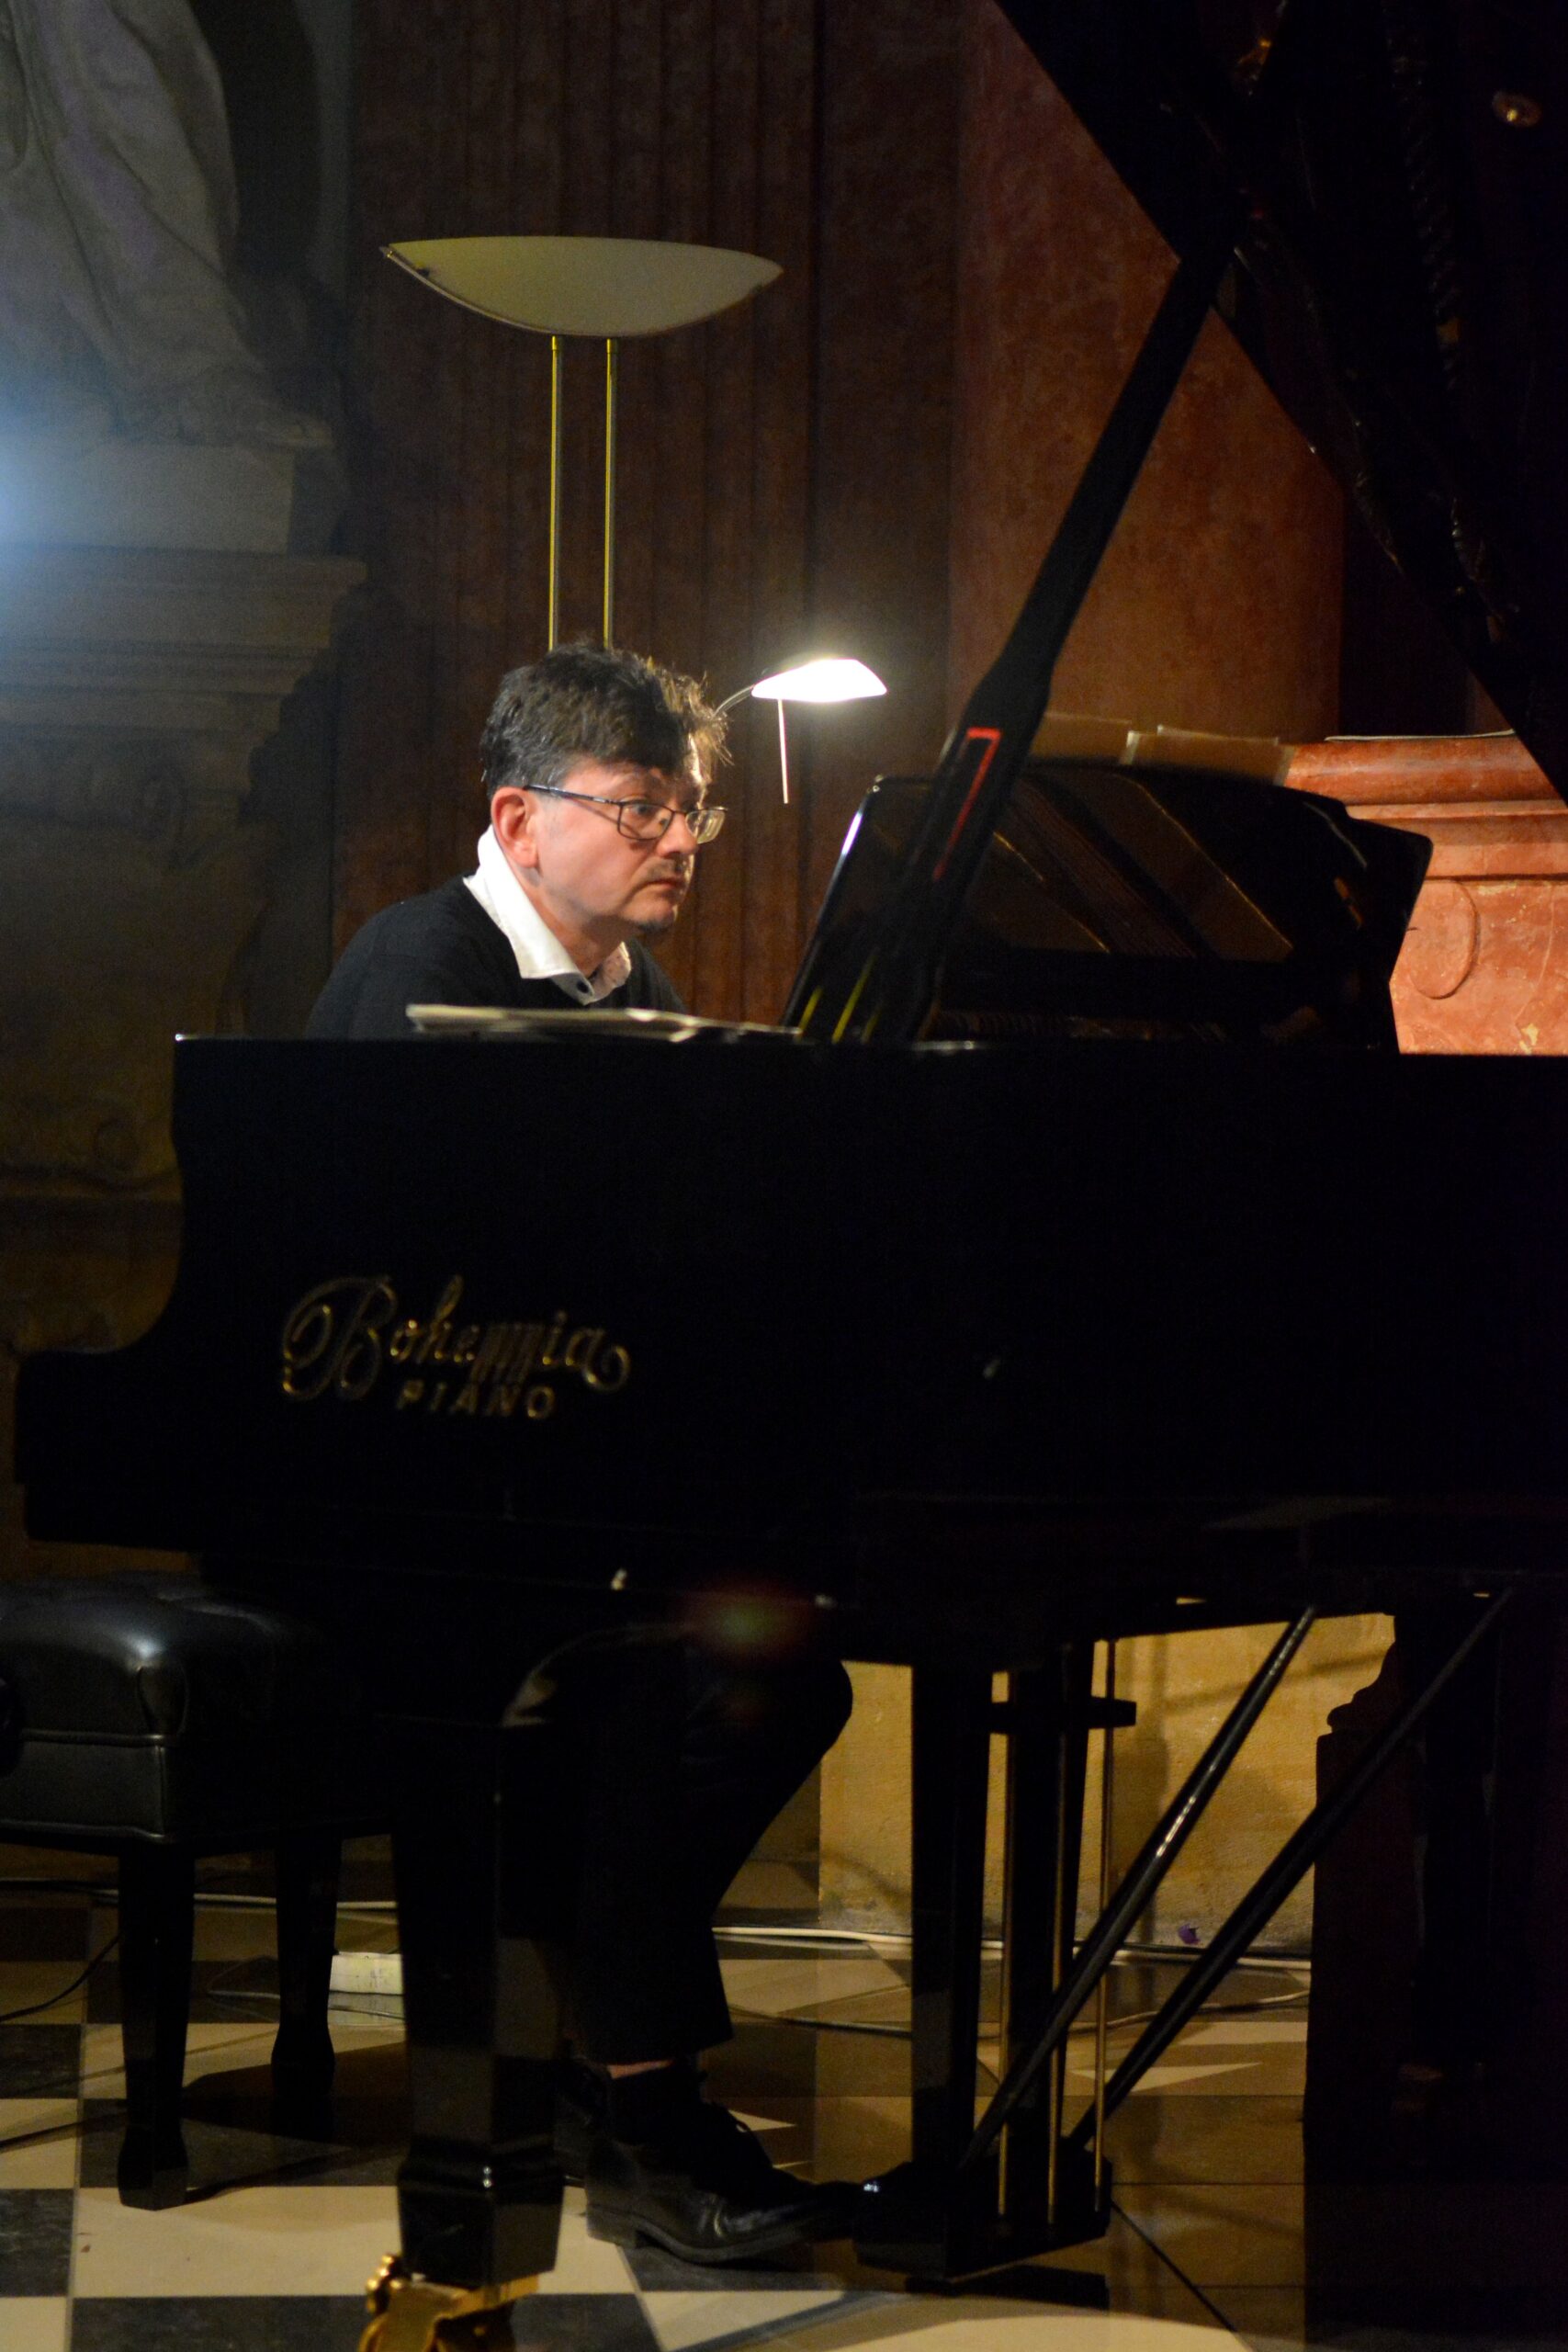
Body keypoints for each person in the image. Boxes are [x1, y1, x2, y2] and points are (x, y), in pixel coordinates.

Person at [309, 642, 856, 2263]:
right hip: (370, 1492)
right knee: (635, 1679)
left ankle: (587, 2040)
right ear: (519, 818)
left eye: (692, 811)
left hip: (552, 1474)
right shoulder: (417, 964)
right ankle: (646, 2101)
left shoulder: (644, 1000)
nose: (680, 841)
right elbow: (386, 1294)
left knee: (783, 1673)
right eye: (641, 809)